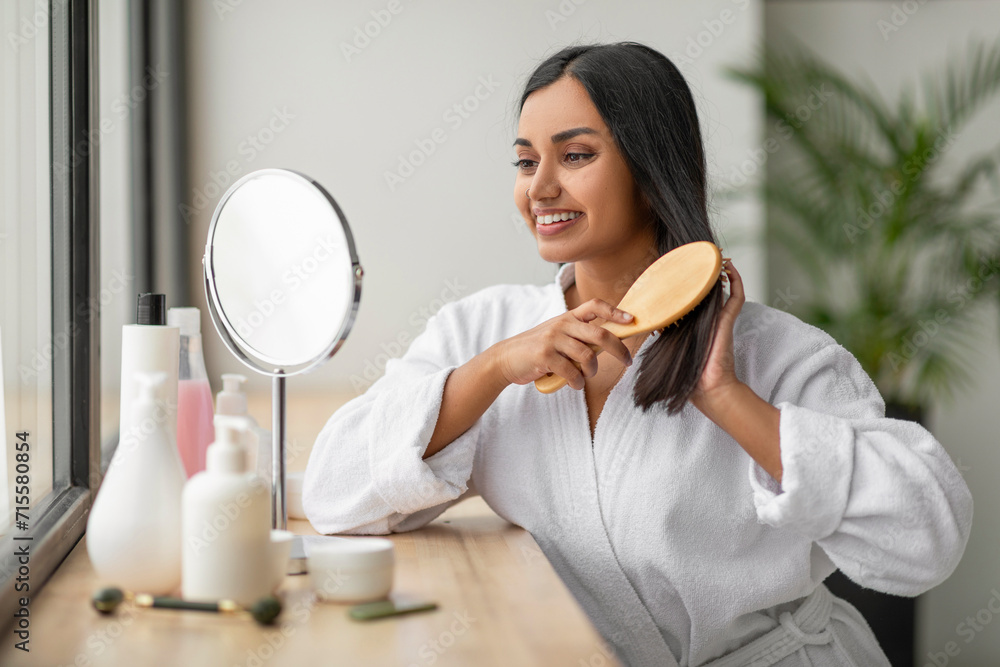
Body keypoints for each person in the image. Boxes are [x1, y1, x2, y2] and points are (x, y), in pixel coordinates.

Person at [303, 42, 973, 667]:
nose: (538, 188)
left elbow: (929, 539)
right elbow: (334, 492)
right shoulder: (487, 329)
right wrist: (494, 370)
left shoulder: (774, 354)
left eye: (575, 155)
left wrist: (728, 397)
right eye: (525, 160)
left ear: (652, 173)